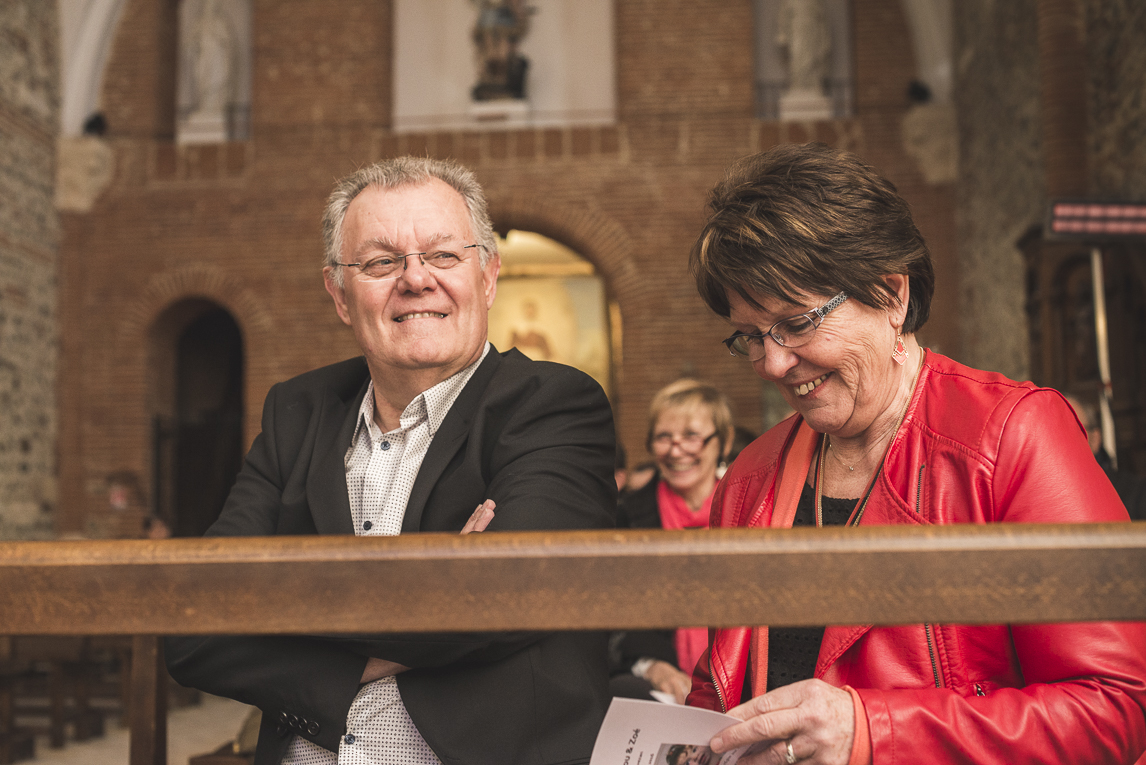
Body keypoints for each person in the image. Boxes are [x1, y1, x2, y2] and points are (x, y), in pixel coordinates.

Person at [685, 143, 1146, 764]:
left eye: (797, 323)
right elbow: (720, 691)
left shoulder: (1012, 435)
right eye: (749, 336)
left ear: (891, 293)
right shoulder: (750, 476)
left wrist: (874, 732)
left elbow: (1115, 709)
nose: (771, 363)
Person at [165, 156, 617, 765]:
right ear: (340, 294)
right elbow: (194, 625)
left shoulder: (554, 405)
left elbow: (513, 592)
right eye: (381, 262)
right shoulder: (296, 411)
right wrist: (443, 586)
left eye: (443, 256)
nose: (415, 279)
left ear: (487, 276)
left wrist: (281, 607)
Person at [612, 380, 733, 704]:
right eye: (664, 437)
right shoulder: (628, 517)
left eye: (691, 435)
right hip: (660, 691)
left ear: (723, 442)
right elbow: (616, 615)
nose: (676, 449)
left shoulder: (750, 508)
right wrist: (652, 665)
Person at [1064, 393, 1146, 521]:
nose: (1062, 439)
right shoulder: (1035, 498)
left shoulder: (1136, 494)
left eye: (1073, 429)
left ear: (1095, 439)